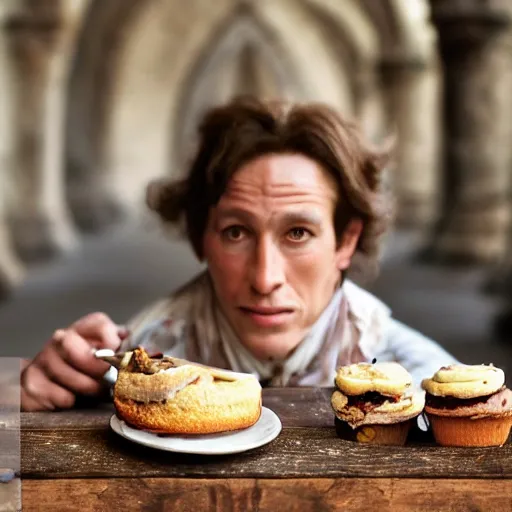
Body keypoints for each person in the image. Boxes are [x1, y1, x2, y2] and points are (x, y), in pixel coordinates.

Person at [20, 97, 457, 412]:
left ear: (345, 241)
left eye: (298, 232)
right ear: (199, 237)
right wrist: (22, 396)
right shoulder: (130, 372)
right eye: (236, 232)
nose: (265, 279)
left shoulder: (424, 382)